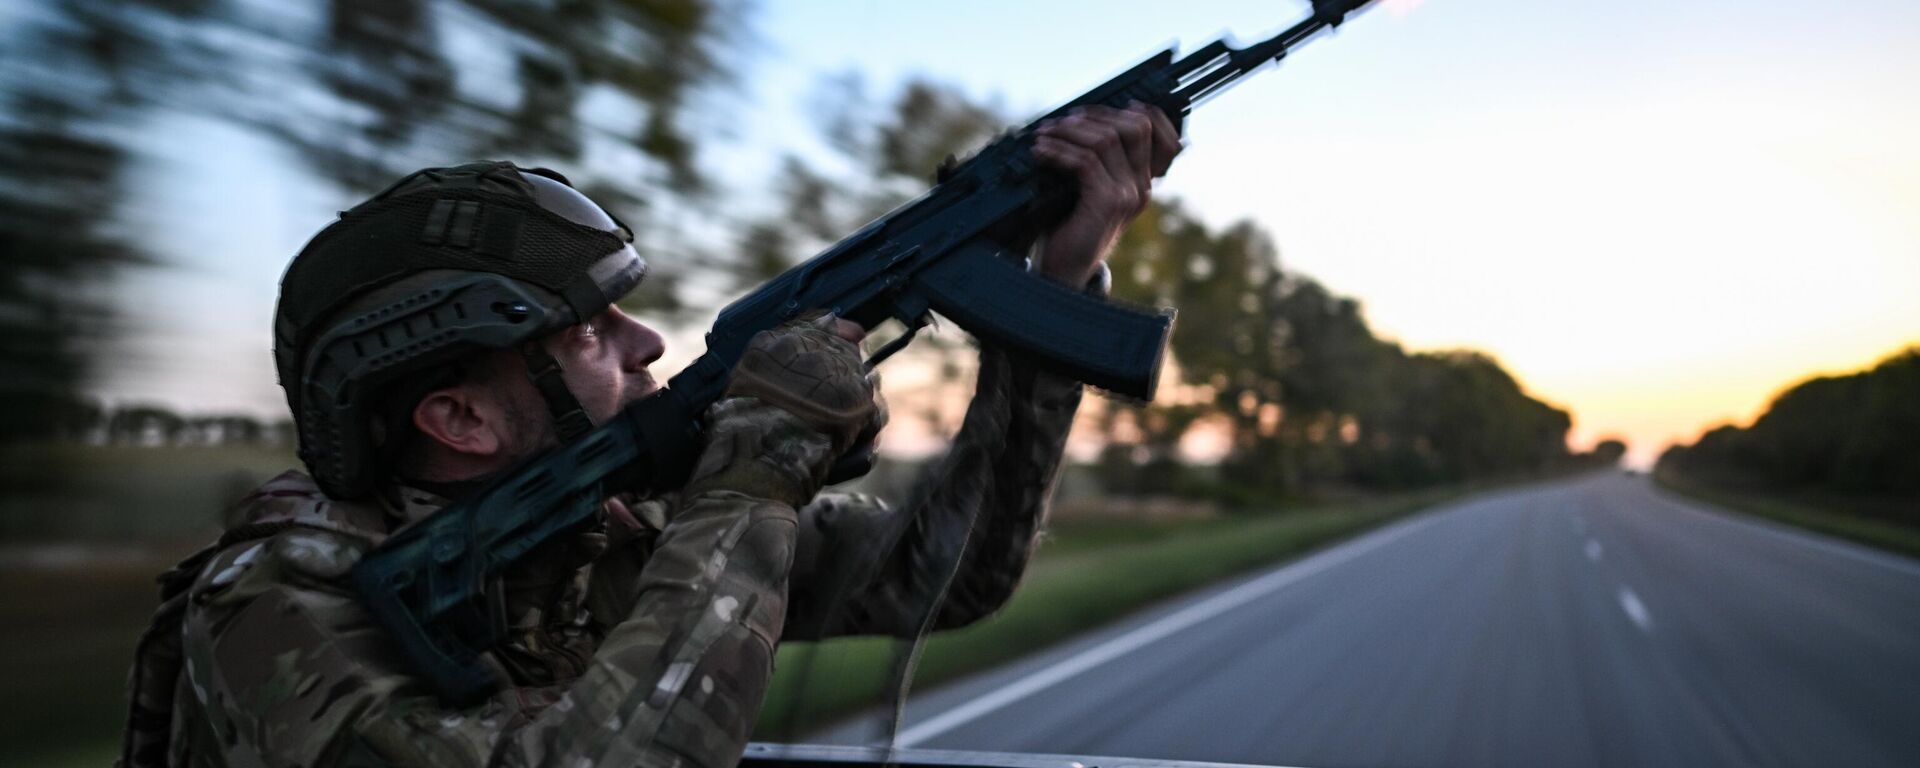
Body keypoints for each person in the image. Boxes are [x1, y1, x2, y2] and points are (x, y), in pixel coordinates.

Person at [117, 104, 1181, 768]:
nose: (647, 341)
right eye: (589, 330)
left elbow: (942, 574)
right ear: (461, 416)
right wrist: (752, 481)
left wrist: (1058, 293)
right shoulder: (280, 605)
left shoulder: (608, 516)